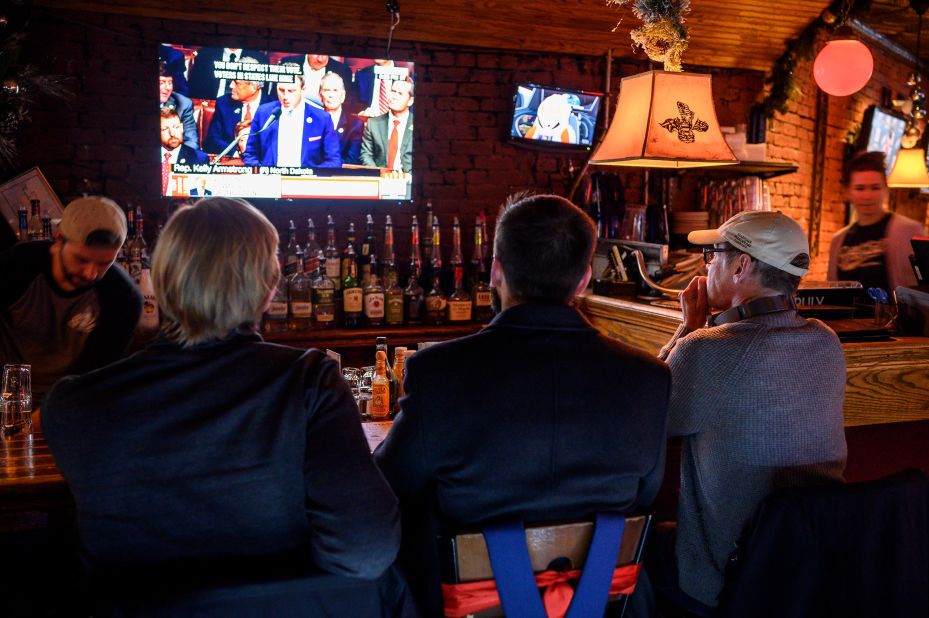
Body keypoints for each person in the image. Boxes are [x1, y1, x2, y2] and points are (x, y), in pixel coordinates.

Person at [42, 197, 404, 611]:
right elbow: (365, 552)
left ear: (156, 285)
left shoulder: (71, 406)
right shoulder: (308, 383)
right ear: (270, 289)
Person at [375, 193, 671, 616]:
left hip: (459, 605)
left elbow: (391, 485)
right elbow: (645, 494)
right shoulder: (648, 378)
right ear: (584, 279)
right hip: (604, 606)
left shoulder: (438, 371)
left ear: (496, 270)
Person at [655, 210, 847, 615]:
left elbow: (648, 413)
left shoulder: (707, 349)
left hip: (726, 583)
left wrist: (688, 329)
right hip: (814, 570)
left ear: (741, 265)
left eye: (713, 255)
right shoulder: (827, 343)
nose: (708, 265)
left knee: (633, 549)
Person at [0, 196, 141, 403]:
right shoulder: (16, 267)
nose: (90, 274)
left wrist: (51, 417)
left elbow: (95, 379)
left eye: (104, 263)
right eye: (81, 259)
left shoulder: (122, 298)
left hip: (68, 404)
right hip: (6, 397)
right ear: (58, 240)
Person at [828, 150, 926, 291]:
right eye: (860, 188)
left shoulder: (908, 230)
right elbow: (831, 292)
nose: (868, 196)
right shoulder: (838, 240)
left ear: (885, 189)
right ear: (848, 192)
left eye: (875, 188)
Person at [243, 70, 341, 168]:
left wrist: (311, 175)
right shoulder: (264, 113)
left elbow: (334, 160)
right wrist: (262, 174)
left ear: (303, 89)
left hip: (306, 181)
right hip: (271, 180)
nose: (285, 96)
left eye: (291, 91)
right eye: (281, 90)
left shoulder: (321, 118)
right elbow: (250, 154)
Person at [203, 56, 267, 155]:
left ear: (254, 87)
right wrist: (235, 154)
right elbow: (213, 140)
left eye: (237, 83)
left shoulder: (273, 107)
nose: (231, 85)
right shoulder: (224, 103)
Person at [359, 78, 414, 173]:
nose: (394, 97)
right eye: (393, 91)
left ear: (410, 101)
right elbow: (366, 155)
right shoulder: (373, 124)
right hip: (380, 180)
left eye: (400, 94)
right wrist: (379, 175)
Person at [277, 53, 356, 109]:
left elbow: (347, 103)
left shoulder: (342, 70)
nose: (320, 59)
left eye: (324, 54)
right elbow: (276, 95)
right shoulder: (288, 63)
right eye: (316, 54)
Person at [187, 46, 268, 100]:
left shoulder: (259, 59)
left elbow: (261, 94)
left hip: (243, 104)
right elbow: (194, 88)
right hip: (211, 104)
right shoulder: (205, 54)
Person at [320, 72, 363, 165]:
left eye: (335, 90)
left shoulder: (355, 124)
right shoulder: (313, 121)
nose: (331, 95)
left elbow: (352, 160)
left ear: (343, 96)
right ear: (320, 95)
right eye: (327, 90)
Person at [159, 60, 198, 149]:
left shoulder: (183, 104)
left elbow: (191, 142)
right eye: (162, 83)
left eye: (170, 82)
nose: (168, 88)